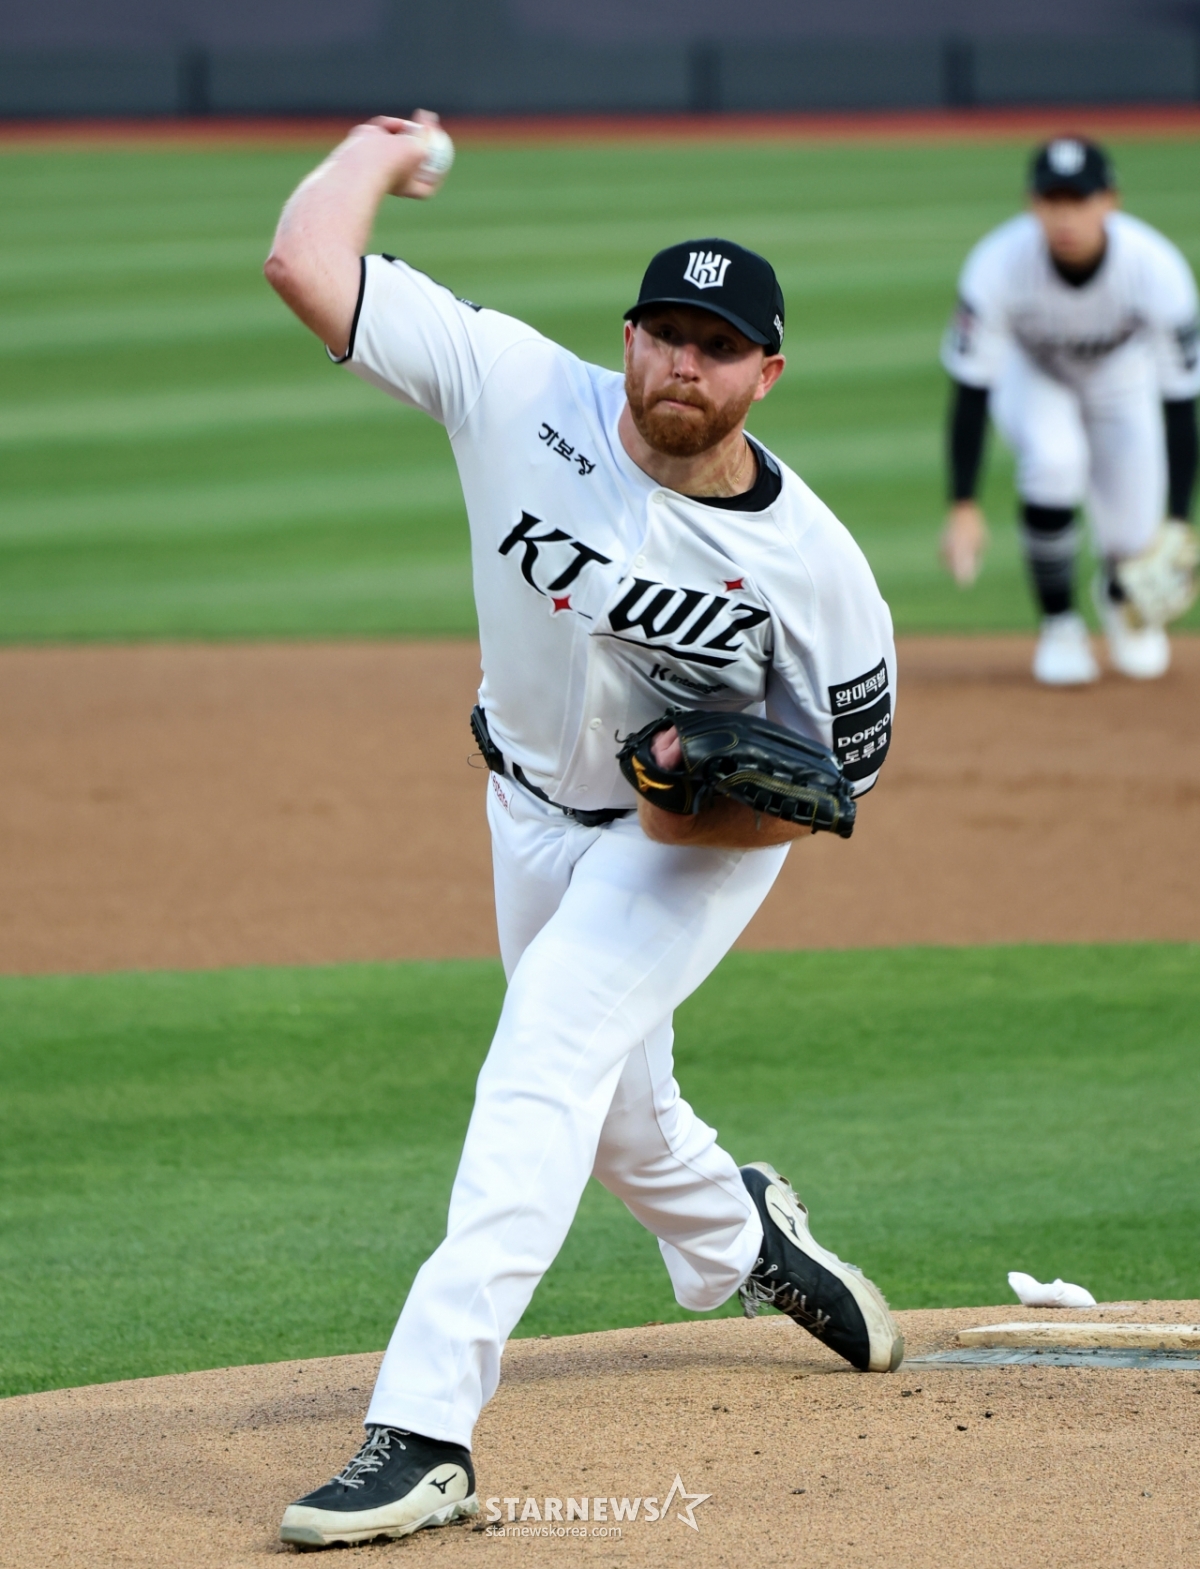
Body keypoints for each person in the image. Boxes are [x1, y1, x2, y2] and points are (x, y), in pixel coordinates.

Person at [264, 112, 902, 1550]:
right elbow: (306, 266)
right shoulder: (514, 387)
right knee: (619, 1121)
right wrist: (379, 150)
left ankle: (422, 1432)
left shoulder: (817, 575)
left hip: (684, 850)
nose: (686, 361)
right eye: (666, 332)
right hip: (522, 808)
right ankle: (745, 1236)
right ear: (628, 339)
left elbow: (831, 791)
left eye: (720, 346)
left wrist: (688, 798)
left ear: (767, 374)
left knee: (542, 1061)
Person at [940, 136, 1199, 684]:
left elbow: (1181, 402)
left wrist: (1178, 519)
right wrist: (963, 503)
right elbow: (971, 388)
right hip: (1032, 373)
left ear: (1110, 202)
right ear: (1031, 204)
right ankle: (1060, 625)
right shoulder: (998, 265)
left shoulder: (1156, 269)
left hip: (1122, 378)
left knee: (1133, 534)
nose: (1066, 216)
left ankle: (1118, 597)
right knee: (1055, 460)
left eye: (1079, 200)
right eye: (1052, 200)